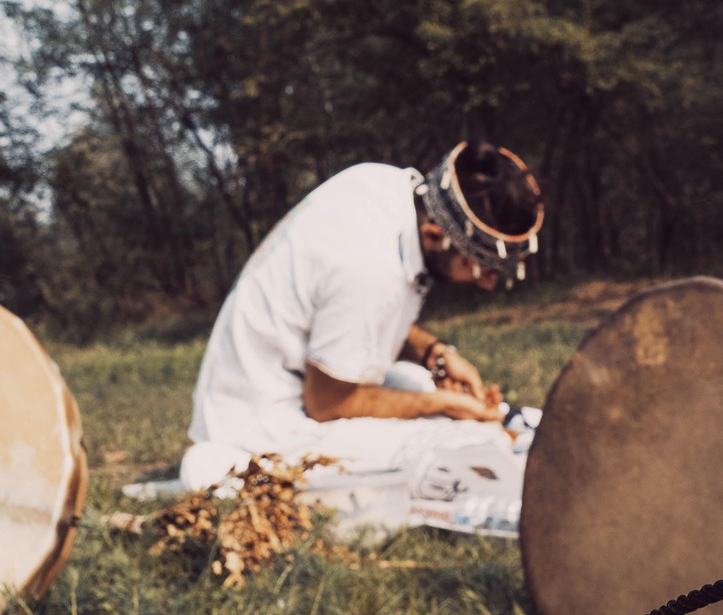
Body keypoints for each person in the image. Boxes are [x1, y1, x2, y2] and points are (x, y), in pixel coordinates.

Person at [180, 142, 544, 492]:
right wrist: (445, 405)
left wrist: (436, 355)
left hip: (279, 383)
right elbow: (328, 404)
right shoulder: (371, 265)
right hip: (265, 421)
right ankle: (223, 463)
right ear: (435, 236)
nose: (486, 284)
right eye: (482, 268)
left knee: (418, 381)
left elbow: (354, 316)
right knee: (470, 442)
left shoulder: (386, 185)